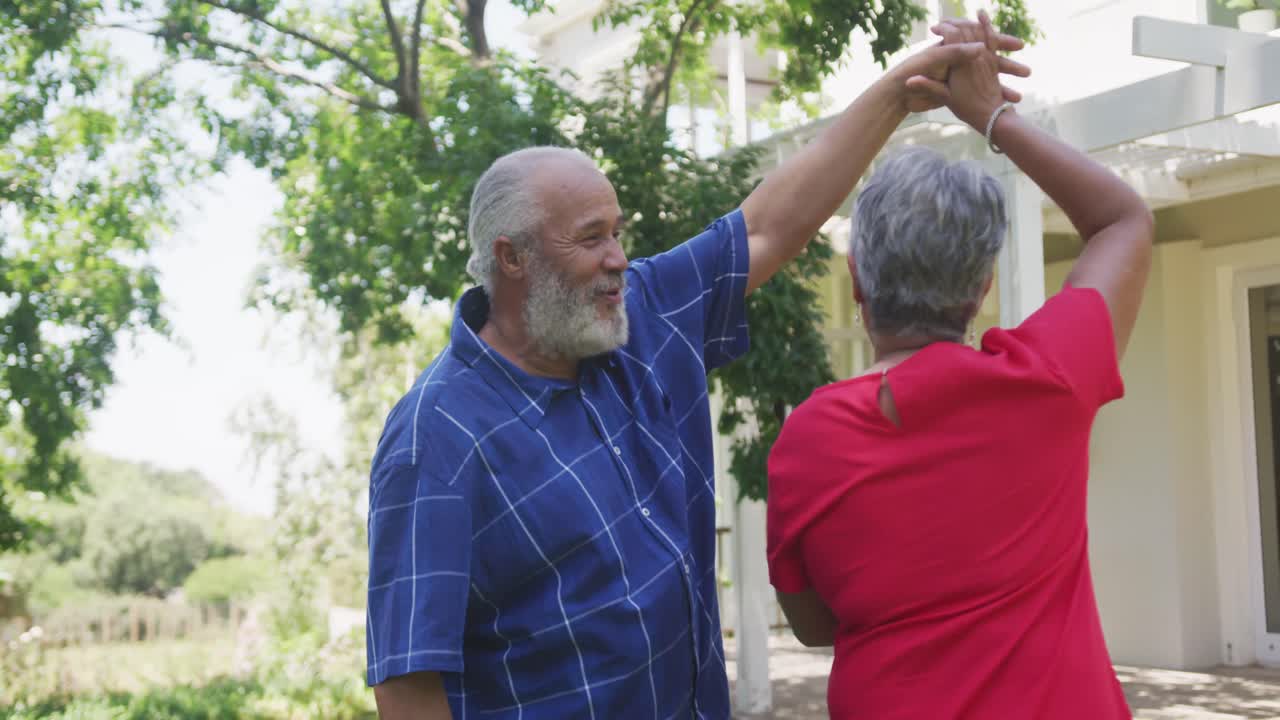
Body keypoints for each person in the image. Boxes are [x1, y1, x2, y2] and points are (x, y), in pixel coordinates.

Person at [365, 20, 1030, 719]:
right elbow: (408, 683)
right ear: (512, 258)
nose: (619, 257)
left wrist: (904, 89)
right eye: (591, 239)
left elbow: (771, 224)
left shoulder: (637, 322)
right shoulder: (435, 437)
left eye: (617, 231)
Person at [765, 11, 1154, 720]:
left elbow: (814, 626)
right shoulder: (1048, 379)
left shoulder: (807, 440)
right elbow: (1123, 219)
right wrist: (993, 116)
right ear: (982, 289)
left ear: (856, 281)